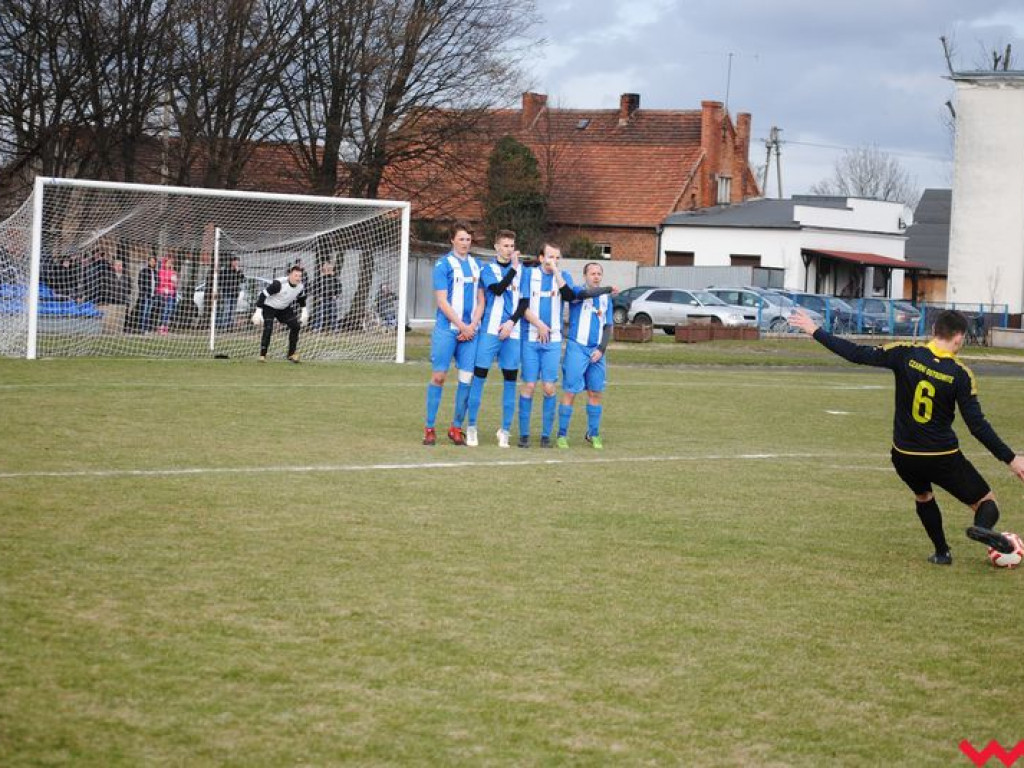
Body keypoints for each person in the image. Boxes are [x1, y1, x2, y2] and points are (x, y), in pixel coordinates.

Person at [789, 308, 1024, 565]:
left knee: (923, 496)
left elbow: (856, 353)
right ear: (959, 338)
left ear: (934, 331)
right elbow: (977, 426)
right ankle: (983, 528)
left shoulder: (905, 353)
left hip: (904, 455)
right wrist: (1011, 459)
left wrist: (815, 331)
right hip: (942, 456)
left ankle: (942, 553)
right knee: (986, 502)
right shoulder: (960, 374)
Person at [423, 222, 483, 446]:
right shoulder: (443, 265)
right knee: (439, 377)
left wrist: (472, 325)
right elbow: (442, 301)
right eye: (461, 239)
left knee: (466, 379)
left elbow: (481, 300)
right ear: (452, 240)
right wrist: (461, 325)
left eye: (468, 239)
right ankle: (430, 427)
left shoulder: (477, 265)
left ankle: (456, 427)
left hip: (470, 333)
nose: (465, 243)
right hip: (447, 330)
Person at [465, 229, 525, 448]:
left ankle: (505, 430)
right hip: (490, 331)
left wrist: (511, 323)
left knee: (510, 381)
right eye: (505, 246)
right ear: (496, 247)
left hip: (512, 333)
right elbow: (498, 290)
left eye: (512, 246)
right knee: (479, 378)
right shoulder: (487, 269)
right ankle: (472, 427)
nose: (509, 250)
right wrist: (514, 269)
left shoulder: (523, 271)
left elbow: (525, 302)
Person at [517, 242, 576, 448]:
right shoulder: (528, 275)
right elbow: (522, 306)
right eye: (550, 257)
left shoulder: (563, 276)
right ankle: (524, 435)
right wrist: (540, 325)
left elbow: (569, 296)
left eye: (557, 257)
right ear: (541, 258)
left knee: (549, 388)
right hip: (531, 338)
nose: (554, 261)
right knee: (529, 385)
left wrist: (557, 271)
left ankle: (545, 436)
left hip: (553, 340)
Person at [556, 262, 618, 450]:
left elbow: (608, 326)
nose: (596, 277)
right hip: (577, 348)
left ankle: (593, 433)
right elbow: (585, 294)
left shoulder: (606, 299)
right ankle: (562, 435)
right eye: (592, 273)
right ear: (585, 276)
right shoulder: (577, 291)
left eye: (599, 273)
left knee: (595, 392)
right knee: (571, 392)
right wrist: (608, 288)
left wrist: (601, 349)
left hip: (596, 351)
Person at [253, 264, 308, 363]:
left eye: (300, 276)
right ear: (290, 275)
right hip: (269, 307)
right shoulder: (279, 284)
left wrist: (304, 311)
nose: (298, 278)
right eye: (295, 275)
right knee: (268, 328)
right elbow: (263, 295)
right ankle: (262, 355)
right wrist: (258, 311)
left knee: (296, 326)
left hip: (283, 308)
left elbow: (301, 299)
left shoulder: (300, 286)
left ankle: (291, 354)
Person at [98, 257, 130, 335]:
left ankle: (119, 333)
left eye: (120, 265)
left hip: (122, 301)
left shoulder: (126, 277)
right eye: (117, 265)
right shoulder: (109, 276)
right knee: (111, 320)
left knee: (120, 320)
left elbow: (129, 289)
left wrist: (125, 297)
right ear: (113, 266)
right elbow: (105, 288)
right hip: (111, 301)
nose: (119, 267)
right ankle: (108, 333)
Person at [215, 255, 245, 331]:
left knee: (232, 310)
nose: (236, 263)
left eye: (237, 262)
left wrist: (238, 271)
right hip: (227, 292)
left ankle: (230, 326)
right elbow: (220, 281)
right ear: (231, 262)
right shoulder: (225, 270)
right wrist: (222, 290)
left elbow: (243, 280)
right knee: (227, 309)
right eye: (235, 261)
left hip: (235, 293)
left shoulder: (238, 271)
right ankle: (224, 326)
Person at [311, 259, 341, 332]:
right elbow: (315, 287)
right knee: (319, 313)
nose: (327, 268)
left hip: (332, 298)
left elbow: (339, 287)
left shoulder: (334, 277)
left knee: (333, 313)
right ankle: (317, 327)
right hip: (322, 297)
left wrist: (336, 295)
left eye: (329, 267)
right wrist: (318, 296)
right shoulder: (319, 278)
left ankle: (334, 327)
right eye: (325, 266)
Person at [134, 254, 158, 333]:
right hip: (145, 295)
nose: (152, 263)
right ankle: (141, 329)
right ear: (148, 262)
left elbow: (157, 283)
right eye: (151, 261)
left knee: (148, 313)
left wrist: (155, 293)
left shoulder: (155, 272)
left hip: (152, 295)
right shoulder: (144, 271)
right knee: (143, 312)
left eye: (154, 261)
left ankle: (146, 329)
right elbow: (140, 282)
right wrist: (143, 293)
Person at [156, 256, 178, 334]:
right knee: (164, 310)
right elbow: (161, 282)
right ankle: (161, 326)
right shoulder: (161, 271)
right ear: (164, 263)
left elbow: (175, 284)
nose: (169, 264)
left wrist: (174, 280)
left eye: (170, 263)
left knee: (170, 310)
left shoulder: (173, 272)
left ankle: (166, 326)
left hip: (171, 293)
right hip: (163, 293)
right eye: (168, 263)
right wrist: (169, 282)